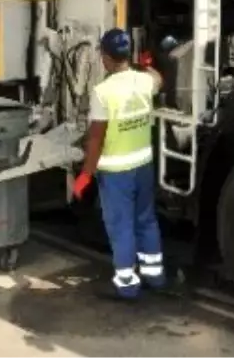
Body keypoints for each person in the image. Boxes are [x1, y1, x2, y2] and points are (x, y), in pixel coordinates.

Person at [72, 28, 167, 300]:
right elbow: (158, 78)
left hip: (116, 173)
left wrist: (85, 175)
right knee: (146, 220)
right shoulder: (144, 82)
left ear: (105, 57)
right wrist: (143, 65)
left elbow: (96, 139)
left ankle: (127, 284)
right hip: (144, 165)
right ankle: (155, 275)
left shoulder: (102, 92)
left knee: (121, 226)